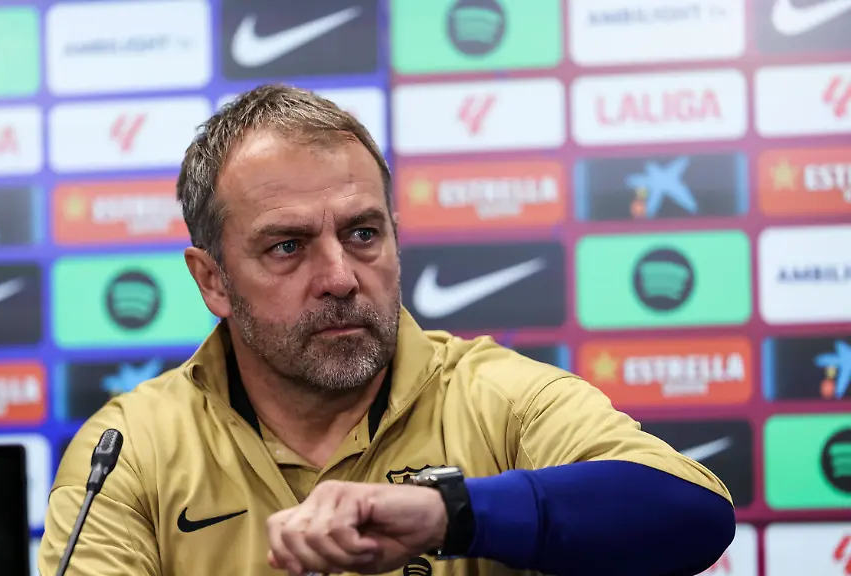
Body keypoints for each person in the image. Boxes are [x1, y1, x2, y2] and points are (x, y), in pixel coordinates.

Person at [38, 84, 735, 576]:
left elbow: (692, 514)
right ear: (212, 280)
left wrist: (450, 514)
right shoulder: (129, 451)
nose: (340, 276)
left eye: (363, 233)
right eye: (287, 246)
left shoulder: (498, 399)